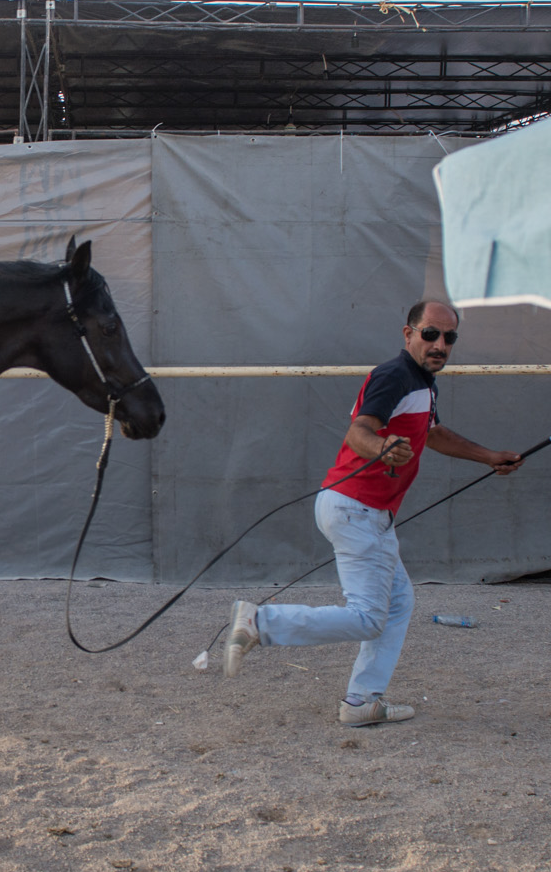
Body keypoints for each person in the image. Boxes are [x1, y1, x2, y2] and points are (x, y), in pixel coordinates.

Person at [219, 299, 525, 727]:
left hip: (365, 511)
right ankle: (261, 622)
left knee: (398, 603)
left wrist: (489, 456)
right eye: (430, 333)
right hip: (355, 508)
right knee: (367, 616)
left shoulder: (423, 384)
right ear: (408, 334)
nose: (440, 344)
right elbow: (358, 431)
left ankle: (362, 702)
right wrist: (382, 447)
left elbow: (433, 434)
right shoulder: (394, 375)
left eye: (449, 337)